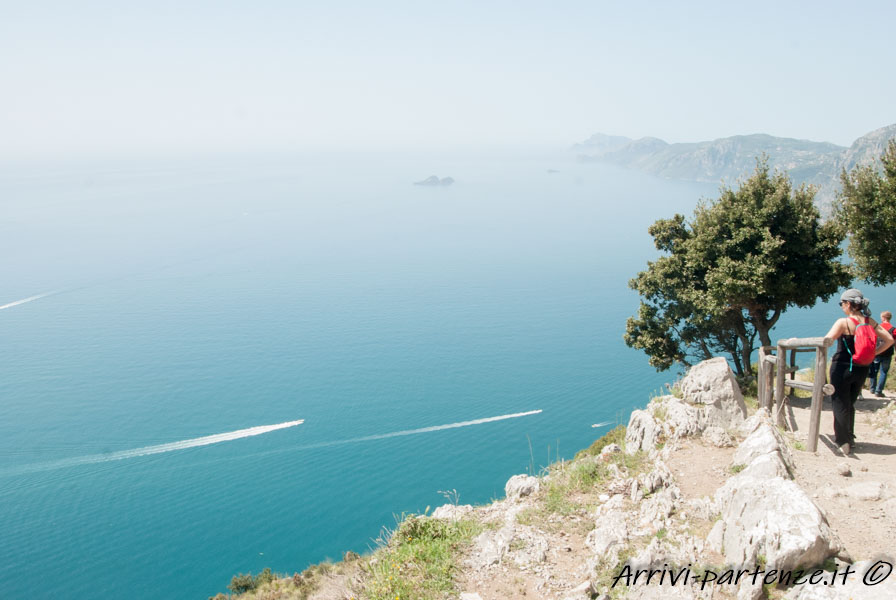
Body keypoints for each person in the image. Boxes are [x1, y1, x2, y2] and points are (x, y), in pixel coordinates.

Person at [824, 289, 894, 455]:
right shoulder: (870, 322)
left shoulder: (844, 322)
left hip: (842, 367)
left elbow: (827, 340)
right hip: (862, 368)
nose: (841, 307)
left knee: (840, 403)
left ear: (848, 304)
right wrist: (874, 353)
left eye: (842, 303)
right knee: (850, 403)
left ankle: (843, 442)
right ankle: (850, 437)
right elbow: (890, 340)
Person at [868, 310, 895, 397]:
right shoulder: (893, 330)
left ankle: (872, 389)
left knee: (874, 371)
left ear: (883, 318)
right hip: (888, 353)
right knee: (884, 372)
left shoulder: (878, 328)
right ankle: (878, 391)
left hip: (877, 352)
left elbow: (872, 339)